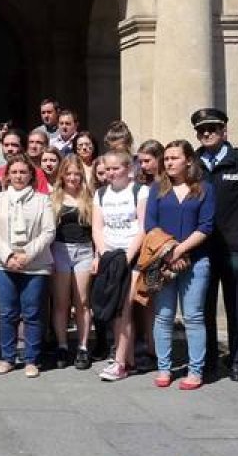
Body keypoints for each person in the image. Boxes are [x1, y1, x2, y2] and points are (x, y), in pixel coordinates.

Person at [191, 108, 238, 382]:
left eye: (212, 128)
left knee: (236, 304)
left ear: (224, 131)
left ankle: (237, 361)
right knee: (204, 304)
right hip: (203, 246)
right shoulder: (193, 163)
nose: (207, 133)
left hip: (234, 245)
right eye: (201, 130)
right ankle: (209, 359)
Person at [147, 139, 216, 390]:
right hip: (163, 262)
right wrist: (168, 254)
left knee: (194, 316)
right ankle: (164, 368)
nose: (169, 162)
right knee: (163, 316)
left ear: (188, 160)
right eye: (166, 158)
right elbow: (150, 225)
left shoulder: (205, 189)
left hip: (196, 261)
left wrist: (179, 250)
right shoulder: (157, 189)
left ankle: (195, 370)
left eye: (174, 158)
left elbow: (206, 226)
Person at [0, 154, 55, 378]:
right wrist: (8, 256)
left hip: (35, 264)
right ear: (7, 176)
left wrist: (27, 255)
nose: (18, 176)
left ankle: (32, 359)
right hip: (3, 264)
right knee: (7, 313)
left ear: (31, 175)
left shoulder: (43, 200)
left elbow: (49, 231)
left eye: (23, 172)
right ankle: (8, 357)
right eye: (14, 172)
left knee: (32, 313)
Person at [91, 150, 148, 382]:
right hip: (110, 257)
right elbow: (97, 227)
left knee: (124, 307)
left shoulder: (140, 191)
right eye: (108, 169)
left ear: (128, 168)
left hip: (131, 256)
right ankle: (128, 358)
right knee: (115, 308)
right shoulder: (100, 194)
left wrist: (126, 257)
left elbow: (142, 227)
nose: (111, 173)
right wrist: (105, 255)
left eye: (116, 168)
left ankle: (120, 362)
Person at [48, 155, 94, 370]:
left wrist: (97, 255)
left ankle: (83, 347)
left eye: (77, 173)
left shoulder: (89, 197)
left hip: (84, 250)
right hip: (60, 250)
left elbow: (96, 229)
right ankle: (62, 345)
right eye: (69, 173)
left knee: (82, 301)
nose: (73, 177)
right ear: (62, 175)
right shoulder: (53, 198)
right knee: (61, 302)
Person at [0, 130, 48, 194]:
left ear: (24, 148)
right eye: (6, 145)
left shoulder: (37, 174)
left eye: (14, 145)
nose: (9, 149)